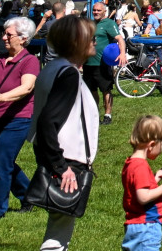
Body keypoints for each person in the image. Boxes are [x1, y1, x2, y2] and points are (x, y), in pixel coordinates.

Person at [34, 13, 102, 251]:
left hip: (57, 156)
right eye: (90, 37)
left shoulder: (53, 68)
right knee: (58, 234)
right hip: (65, 161)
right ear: (77, 42)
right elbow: (47, 121)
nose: (94, 42)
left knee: (59, 226)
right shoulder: (68, 74)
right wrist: (62, 168)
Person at [0, 16, 41, 219]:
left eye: (8, 34)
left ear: (23, 38)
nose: (4, 37)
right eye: (3, 33)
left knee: (2, 162)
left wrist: (2, 97)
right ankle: (29, 195)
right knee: (0, 159)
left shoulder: (30, 61)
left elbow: (27, 87)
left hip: (18, 119)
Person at [122, 114, 162, 251]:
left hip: (136, 225)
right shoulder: (140, 166)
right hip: (146, 226)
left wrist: (158, 175)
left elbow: (142, 187)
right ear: (151, 145)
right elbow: (143, 197)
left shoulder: (131, 163)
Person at [88, 0, 123, 126]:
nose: (96, 12)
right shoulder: (90, 23)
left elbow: (120, 39)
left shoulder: (108, 23)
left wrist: (122, 54)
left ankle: (107, 115)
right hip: (88, 63)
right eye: (94, 10)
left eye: (98, 10)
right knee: (92, 91)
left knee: (106, 90)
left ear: (104, 11)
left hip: (102, 63)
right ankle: (94, 114)